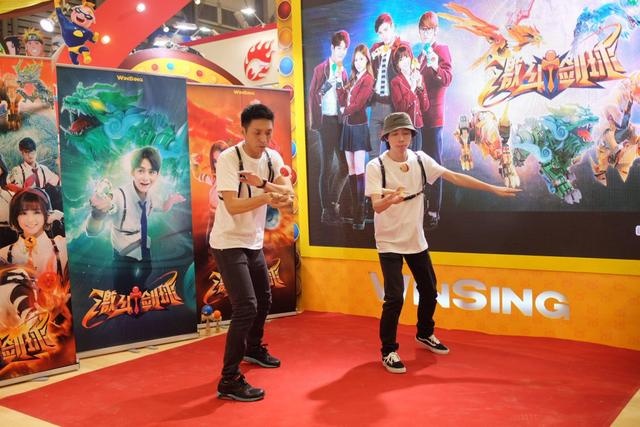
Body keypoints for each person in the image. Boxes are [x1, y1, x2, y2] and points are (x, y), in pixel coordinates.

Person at [365, 112, 520, 374]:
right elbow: (376, 206)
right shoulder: (376, 166)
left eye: (406, 133)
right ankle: (388, 350)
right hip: (388, 241)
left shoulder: (420, 160)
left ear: (412, 136)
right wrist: (390, 200)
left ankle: (425, 333)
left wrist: (493, 189)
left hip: (415, 239)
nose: (401, 139)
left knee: (430, 290)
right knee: (394, 298)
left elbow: (455, 177)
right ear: (386, 138)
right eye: (395, 134)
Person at [210, 103, 293, 402]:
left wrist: (264, 185)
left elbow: (290, 197)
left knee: (265, 298)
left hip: (253, 240)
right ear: (243, 131)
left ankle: (253, 348)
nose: (263, 138)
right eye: (257, 132)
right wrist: (269, 197)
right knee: (246, 306)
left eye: (268, 132)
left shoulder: (272, 158)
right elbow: (233, 206)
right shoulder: (229, 159)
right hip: (228, 241)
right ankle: (229, 380)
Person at [86, 146, 185, 294]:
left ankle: (140, 290)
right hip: (123, 252)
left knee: (147, 269)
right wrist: (97, 214)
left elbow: (163, 207)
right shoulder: (120, 195)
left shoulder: (151, 196)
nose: (146, 178)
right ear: (132, 172)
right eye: (141, 171)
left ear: (157, 174)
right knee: (123, 286)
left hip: (143, 245)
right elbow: (92, 230)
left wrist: (172, 200)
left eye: (151, 172)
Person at [308, 30, 350, 225]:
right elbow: (313, 95)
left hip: (340, 122)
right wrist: (327, 85)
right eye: (339, 48)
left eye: (345, 49)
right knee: (327, 166)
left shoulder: (344, 71)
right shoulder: (320, 69)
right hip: (326, 121)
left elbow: (346, 98)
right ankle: (327, 210)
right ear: (332, 48)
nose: (342, 52)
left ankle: (332, 203)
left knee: (345, 166)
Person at [417, 11, 453, 229]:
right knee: (421, 164)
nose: (425, 33)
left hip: (434, 117)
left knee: (434, 164)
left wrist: (435, 67)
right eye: (422, 29)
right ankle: (424, 207)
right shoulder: (420, 53)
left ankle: (433, 211)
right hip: (419, 117)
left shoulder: (441, 50)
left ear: (436, 30)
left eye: (428, 29)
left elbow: (447, 79)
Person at [337, 43, 374, 230]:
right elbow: (342, 100)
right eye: (356, 59)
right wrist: (339, 85)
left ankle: (361, 210)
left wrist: (344, 110)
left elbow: (358, 104)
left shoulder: (368, 79)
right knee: (351, 169)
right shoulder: (353, 78)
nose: (358, 62)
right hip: (348, 127)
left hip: (359, 127)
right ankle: (355, 207)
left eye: (361, 59)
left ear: (367, 60)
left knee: (359, 168)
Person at [368, 13, 411, 160]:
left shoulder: (403, 48)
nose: (384, 35)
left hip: (393, 107)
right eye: (380, 33)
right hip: (376, 105)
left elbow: (407, 74)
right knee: (373, 152)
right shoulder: (375, 48)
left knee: (395, 152)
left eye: (386, 30)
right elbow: (366, 71)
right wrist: (371, 58)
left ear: (393, 27)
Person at [0, 189, 67, 280]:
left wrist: (62, 217)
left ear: (47, 214)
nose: (30, 220)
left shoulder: (63, 246)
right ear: (15, 217)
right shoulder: (3, 254)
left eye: (37, 212)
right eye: (23, 213)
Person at [388, 44, 429, 153]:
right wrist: (412, 88)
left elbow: (425, 106)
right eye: (401, 59)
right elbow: (400, 108)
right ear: (397, 65)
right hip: (404, 128)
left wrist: (420, 86)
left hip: (418, 127)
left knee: (417, 158)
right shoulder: (395, 82)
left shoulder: (417, 76)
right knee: (406, 158)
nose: (405, 61)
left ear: (411, 58)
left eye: (406, 57)